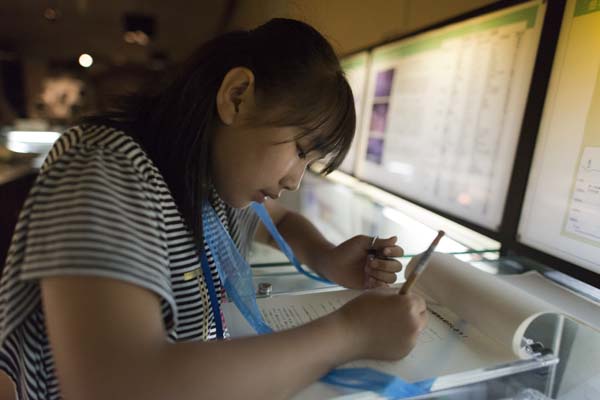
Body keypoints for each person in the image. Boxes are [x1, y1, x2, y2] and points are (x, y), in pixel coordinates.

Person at [0, 18, 427, 400]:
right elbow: (115, 385)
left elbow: (279, 221)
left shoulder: (208, 181)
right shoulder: (104, 170)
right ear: (237, 97)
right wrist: (350, 333)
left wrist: (326, 256)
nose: (295, 179)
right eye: (299, 150)